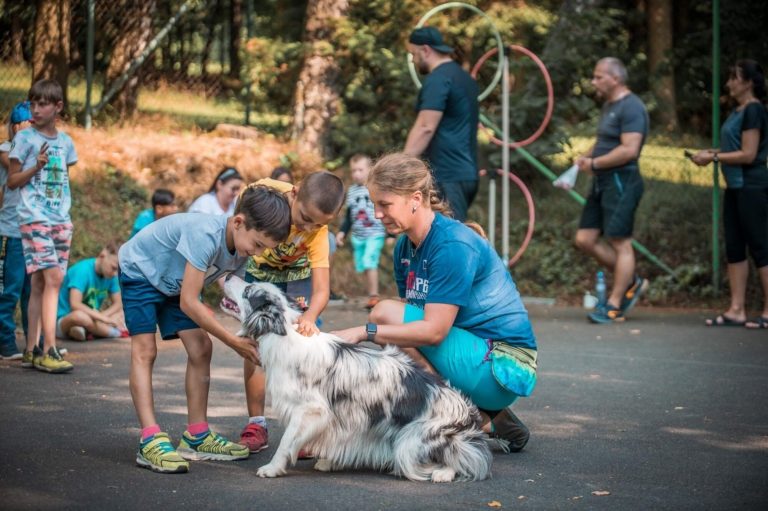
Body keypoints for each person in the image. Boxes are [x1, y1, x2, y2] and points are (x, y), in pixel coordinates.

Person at [332, 153, 537, 454]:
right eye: (374, 204)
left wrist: (364, 332)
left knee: (383, 314)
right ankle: (485, 418)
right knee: (393, 327)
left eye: (384, 204)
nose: (377, 214)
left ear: (415, 198)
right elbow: (409, 328)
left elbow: (432, 333)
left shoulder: (452, 244)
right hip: (473, 357)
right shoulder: (405, 244)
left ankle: (456, 413)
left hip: (505, 365)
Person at [118, 185, 291, 474]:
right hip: (141, 270)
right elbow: (189, 301)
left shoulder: (242, 248)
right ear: (238, 222)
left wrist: (255, 335)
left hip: (172, 282)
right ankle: (149, 438)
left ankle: (196, 436)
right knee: (145, 350)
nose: (258, 253)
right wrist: (232, 342)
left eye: (265, 248)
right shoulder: (205, 235)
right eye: (258, 244)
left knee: (201, 347)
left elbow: (236, 299)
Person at [238, 171, 345, 453]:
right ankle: (256, 422)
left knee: (304, 350)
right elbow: (237, 232)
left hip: (298, 277)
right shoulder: (261, 192)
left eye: (318, 224)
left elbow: (322, 289)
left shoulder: (317, 232)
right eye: (305, 218)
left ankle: (303, 429)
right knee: (257, 347)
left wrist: (309, 317)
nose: (308, 228)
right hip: (259, 266)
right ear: (294, 193)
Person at [692, 59, 768, 329]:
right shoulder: (737, 111)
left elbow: (748, 154)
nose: (729, 83)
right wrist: (711, 153)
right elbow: (733, 148)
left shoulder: (754, 110)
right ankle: (736, 309)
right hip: (734, 186)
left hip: (752, 185)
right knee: (735, 247)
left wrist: (712, 157)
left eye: (734, 77)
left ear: (748, 82)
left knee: (760, 246)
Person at [8, 80, 78, 373]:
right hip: (34, 217)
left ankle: (30, 348)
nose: (35, 110)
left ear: (58, 107)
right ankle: (49, 349)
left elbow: (62, 182)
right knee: (53, 280)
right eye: (33, 104)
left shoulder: (66, 143)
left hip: (60, 219)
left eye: (43, 104)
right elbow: (12, 181)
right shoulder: (23, 140)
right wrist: (35, 167)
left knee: (40, 283)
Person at [573, 57, 649, 324]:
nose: (594, 81)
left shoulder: (633, 107)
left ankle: (615, 304)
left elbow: (629, 150)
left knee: (620, 241)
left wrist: (594, 163)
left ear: (615, 78)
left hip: (621, 181)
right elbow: (604, 141)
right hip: (601, 181)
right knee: (584, 238)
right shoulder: (609, 105)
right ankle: (630, 279)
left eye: (598, 77)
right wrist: (584, 158)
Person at [404, 26, 479, 222]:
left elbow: (425, 127)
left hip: (446, 175)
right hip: (465, 174)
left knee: (447, 241)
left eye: (413, 54)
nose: (412, 60)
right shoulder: (464, 78)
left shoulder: (438, 79)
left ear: (426, 50)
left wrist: (401, 166)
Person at [0, 101, 33, 360]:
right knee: (9, 289)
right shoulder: (6, 149)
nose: (32, 128)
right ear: (15, 127)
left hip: (33, 232)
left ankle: (35, 343)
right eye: (27, 124)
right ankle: (5, 342)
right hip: (10, 232)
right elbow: (14, 163)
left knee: (31, 290)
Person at [336, 154, 387, 309]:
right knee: (362, 265)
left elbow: (386, 208)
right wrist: (342, 232)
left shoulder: (376, 187)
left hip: (375, 233)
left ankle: (374, 296)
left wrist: (391, 233)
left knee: (369, 261)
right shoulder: (351, 191)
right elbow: (349, 216)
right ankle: (371, 293)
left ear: (370, 170)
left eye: (360, 170)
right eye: (353, 171)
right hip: (358, 236)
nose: (356, 174)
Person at [56, 241, 128, 341]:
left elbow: (118, 303)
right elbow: (75, 304)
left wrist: (102, 316)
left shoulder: (111, 275)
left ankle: (86, 330)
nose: (115, 274)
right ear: (103, 255)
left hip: (93, 317)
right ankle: (115, 332)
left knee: (126, 311)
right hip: (66, 318)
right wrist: (103, 319)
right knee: (80, 317)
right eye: (114, 268)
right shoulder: (83, 270)